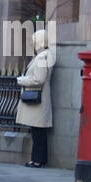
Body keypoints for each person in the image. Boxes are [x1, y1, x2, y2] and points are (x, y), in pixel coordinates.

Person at [15, 28, 54, 166]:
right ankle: (36, 159)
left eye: (34, 40)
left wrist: (21, 80)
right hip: (38, 98)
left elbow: (39, 79)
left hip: (39, 98)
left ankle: (38, 160)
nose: (33, 43)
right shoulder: (43, 55)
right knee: (37, 132)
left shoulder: (43, 56)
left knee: (39, 132)